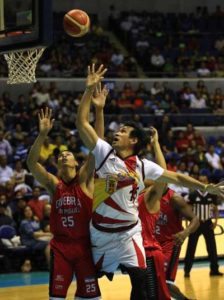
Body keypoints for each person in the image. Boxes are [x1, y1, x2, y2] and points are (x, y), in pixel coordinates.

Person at [76, 63, 224, 300]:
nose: (117, 131)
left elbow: (175, 176)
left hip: (128, 234)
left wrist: (204, 186)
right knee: (87, 287)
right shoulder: (105, 155)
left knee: (144, 285)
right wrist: (88, 90)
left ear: (133, 140)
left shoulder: (144, 166)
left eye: (123, 130)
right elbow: (82, 124)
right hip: (100, 234)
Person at [27, 107, 103, 300]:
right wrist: (42, 134)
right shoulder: (54, 185)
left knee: (92, 298)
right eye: (61, 155)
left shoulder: (84, 179)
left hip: (85, 246)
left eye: (68, 154)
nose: (63, 155)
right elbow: (31, 163)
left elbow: (98, 146)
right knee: (56, 298)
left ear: (76, 163)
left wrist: (99, 110)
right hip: (61, 247)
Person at [184, 174, 223, 278]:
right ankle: (187, 270)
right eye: (201, 180)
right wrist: (189, 223)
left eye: (204, 180)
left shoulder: (211, 194)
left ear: (207, 181)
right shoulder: (193, 194)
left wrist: (215, 222)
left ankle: (214, 270)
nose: (203, 182)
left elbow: (215, 209)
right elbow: (188, 208)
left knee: (212, 248)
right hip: (196, 224)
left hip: (207, 223)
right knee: (191, 248)